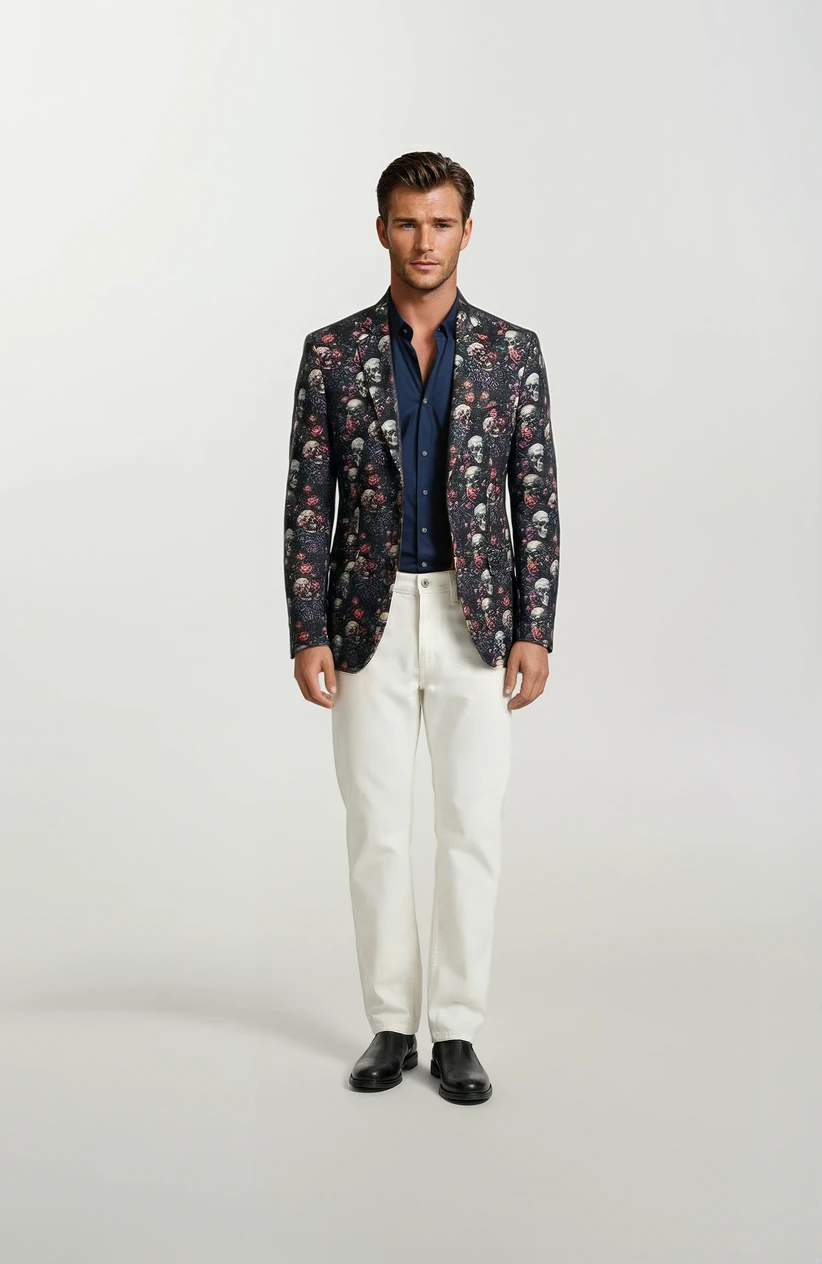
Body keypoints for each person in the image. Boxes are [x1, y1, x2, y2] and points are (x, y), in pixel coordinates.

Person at [283, 151, 560, 1105]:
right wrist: (307, 628)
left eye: (441, 223)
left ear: (467, 231)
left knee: (471, 825)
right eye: (407, 222)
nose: (424, 241)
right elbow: (307, 500)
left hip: (474, 618)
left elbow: (536, 496)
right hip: (365, 617)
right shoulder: (332, 353)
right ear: (381, 230)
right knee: (377, 831)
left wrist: (536, 626)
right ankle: (391, 1024)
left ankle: (458, 1029)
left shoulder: (512, 352)